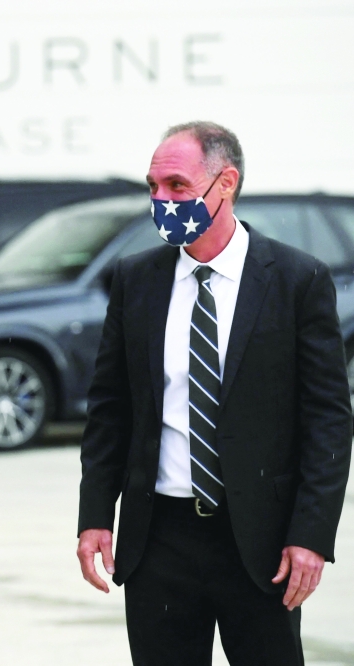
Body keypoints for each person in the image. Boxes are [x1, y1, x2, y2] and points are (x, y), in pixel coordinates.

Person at [76, 122, 352, 665]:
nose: (161, 201)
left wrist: (312, 536)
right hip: (157, 540)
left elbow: (328, 420)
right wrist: (94, 517)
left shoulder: (297, 279)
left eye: (177, 187)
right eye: (153, 188)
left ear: (225, 182)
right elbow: (110, 410)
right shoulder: (136, 279)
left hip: (259, 541)